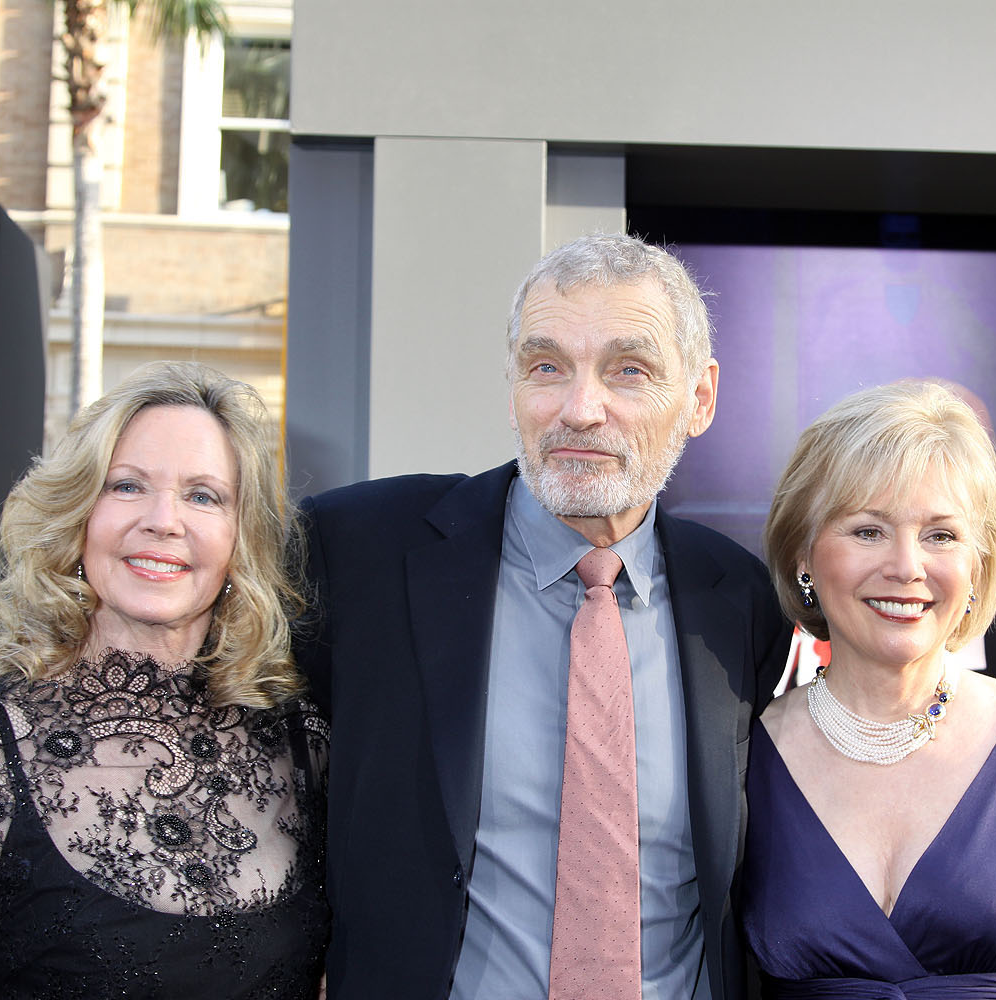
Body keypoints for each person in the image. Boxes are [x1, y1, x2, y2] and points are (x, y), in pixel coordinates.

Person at [299, 233, 793, 999]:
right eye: (546, 367)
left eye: (629, 370)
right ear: (512, 387)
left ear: (700, 398)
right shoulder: (358, 552)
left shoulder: (742, 599)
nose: (579, 410)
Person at [0, 362, 328, 999]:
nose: (163, 520)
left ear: (243, 539)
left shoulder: (306, 747)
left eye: (204, 496)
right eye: (126, 485)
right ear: (78, 516)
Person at [747, 381, 996, 997]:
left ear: (978, 565)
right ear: (803, 553)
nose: (906, 566)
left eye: (940, 535)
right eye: (868, 531)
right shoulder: (740, 757)